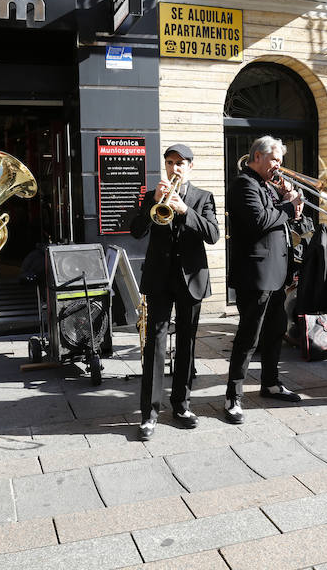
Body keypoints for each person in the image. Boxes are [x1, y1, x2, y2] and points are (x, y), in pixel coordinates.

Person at [130, 144, 219, 440]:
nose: (174, 168)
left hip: (191, 279)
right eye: (170, 162)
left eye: (180, 163)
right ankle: (149, 414)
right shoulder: (151, 196)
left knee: (187, 343)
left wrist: (184, 210)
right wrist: (152, 203)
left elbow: (213, 234)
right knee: (155, 343)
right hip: (159, 279)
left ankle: (181, 406)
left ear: (190, 166)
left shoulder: (203, 198)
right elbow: (135, 230)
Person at [224, 136, 303, 424]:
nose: (278, 168)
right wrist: (288, 206)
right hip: (255, 275)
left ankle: (270, 383)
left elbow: (280, 222)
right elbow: (259, 221)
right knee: (249, 336)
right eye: (275, 161)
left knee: (275, 331)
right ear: (257, 156)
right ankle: (233, 395)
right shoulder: (244, 184)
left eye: (280, 162)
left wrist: (292, 207)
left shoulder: (267, 186)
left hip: (277, 273)